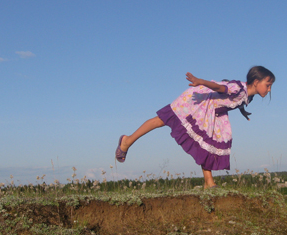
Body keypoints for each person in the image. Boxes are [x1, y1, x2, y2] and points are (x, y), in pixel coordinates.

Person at [116, 66, 275, 189]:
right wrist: (201, 81)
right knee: (162, 120)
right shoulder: (239, 88)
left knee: (207, 143)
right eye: (268, 85)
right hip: (200, 101)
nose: (269, 89)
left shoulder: (248, 95)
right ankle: (127, 141)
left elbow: (236, 101)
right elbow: (221, 89)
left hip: (212, 112)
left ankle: (208, 182)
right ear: (256, 82)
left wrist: (243, 111)